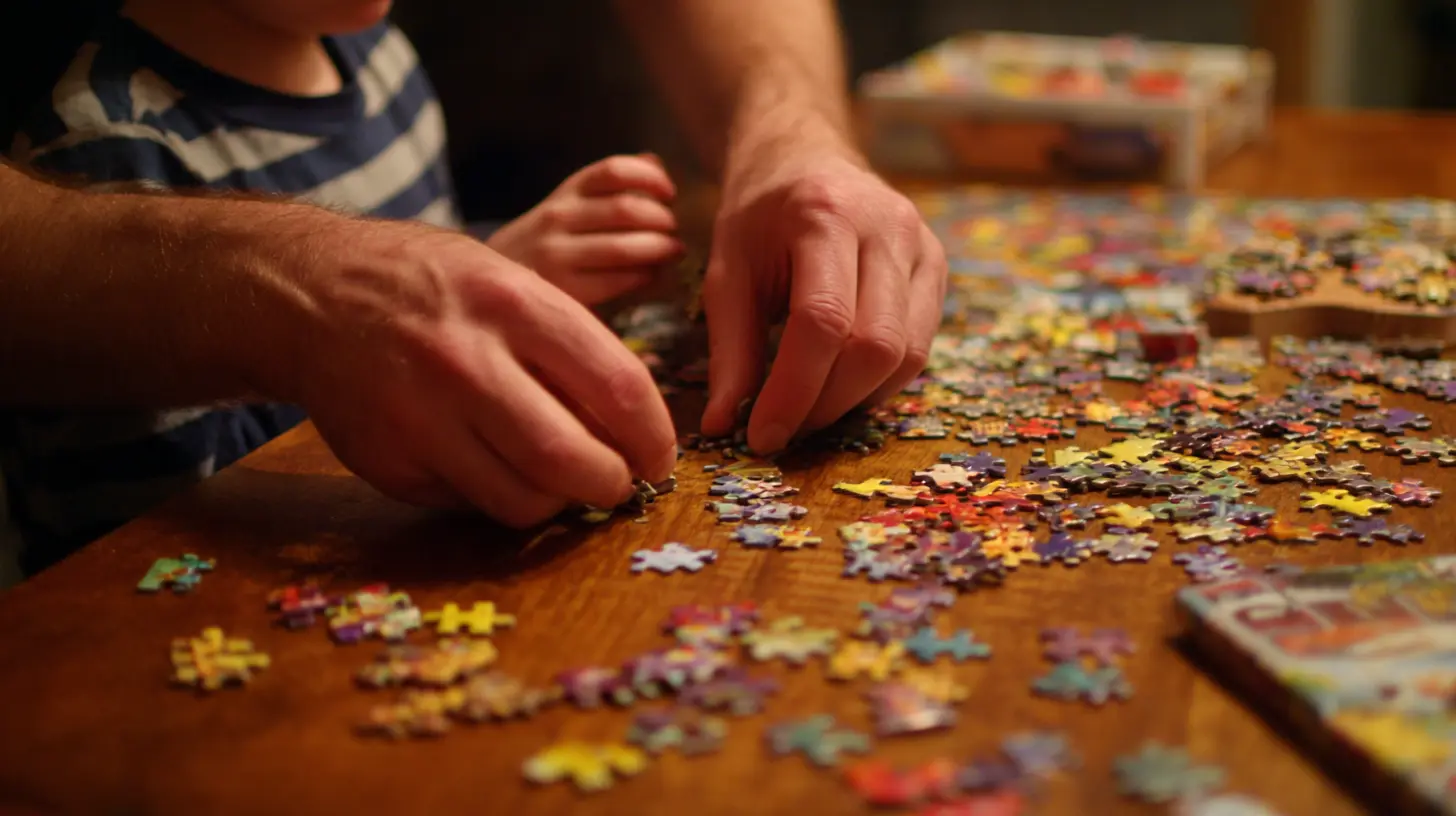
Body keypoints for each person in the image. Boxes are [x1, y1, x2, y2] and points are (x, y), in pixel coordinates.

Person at [0, 0, 947, 576]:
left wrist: (503, 258)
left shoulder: (375, 54)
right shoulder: (105, 141)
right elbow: (161, 508)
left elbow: (404, 275)